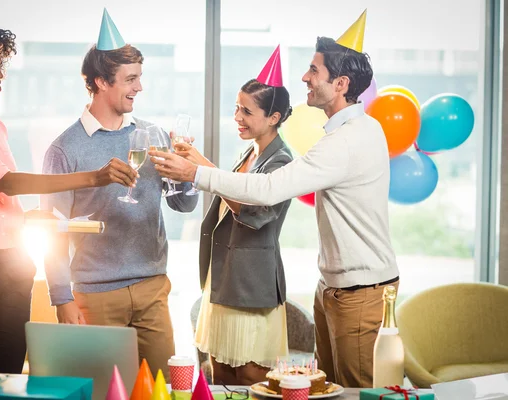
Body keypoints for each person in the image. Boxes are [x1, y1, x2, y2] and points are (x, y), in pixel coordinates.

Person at [150, 11, 400, 388]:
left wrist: (194, 174)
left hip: (358, 294)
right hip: (333, 290)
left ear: (342, 83)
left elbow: (266, 191)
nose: (305, 77)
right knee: (332, 390)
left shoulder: (346, 141)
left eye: (314, 71)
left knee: (355, 392)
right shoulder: (354, 132)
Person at [0, 0, 136, 374]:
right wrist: (93, 177)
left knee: (7, 372)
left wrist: (25, 219)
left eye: (0, 65)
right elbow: (5, 182)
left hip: (13, 262)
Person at [41, 8, 198, 381]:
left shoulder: (155, 135)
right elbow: (52, 230)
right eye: (130, 79)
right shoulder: (65, 149)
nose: (139, 88)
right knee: (104, 391)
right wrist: (61, 297)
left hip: (152, 289)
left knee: (164, 388)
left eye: (140, 78)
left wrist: (188, 174)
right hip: (96, 297)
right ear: (100, 82)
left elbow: (183, 203)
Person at [181, 47, 293, 385]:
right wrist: (195, 162)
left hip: (251, 286)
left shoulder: (281, 161)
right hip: (226, 279)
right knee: (221, 379)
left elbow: (253, 213)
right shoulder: (251, 151)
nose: (237, 116)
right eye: (236, 106)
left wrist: (202, 168)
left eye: (247, 110)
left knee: (250, 377)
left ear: (274, 118)